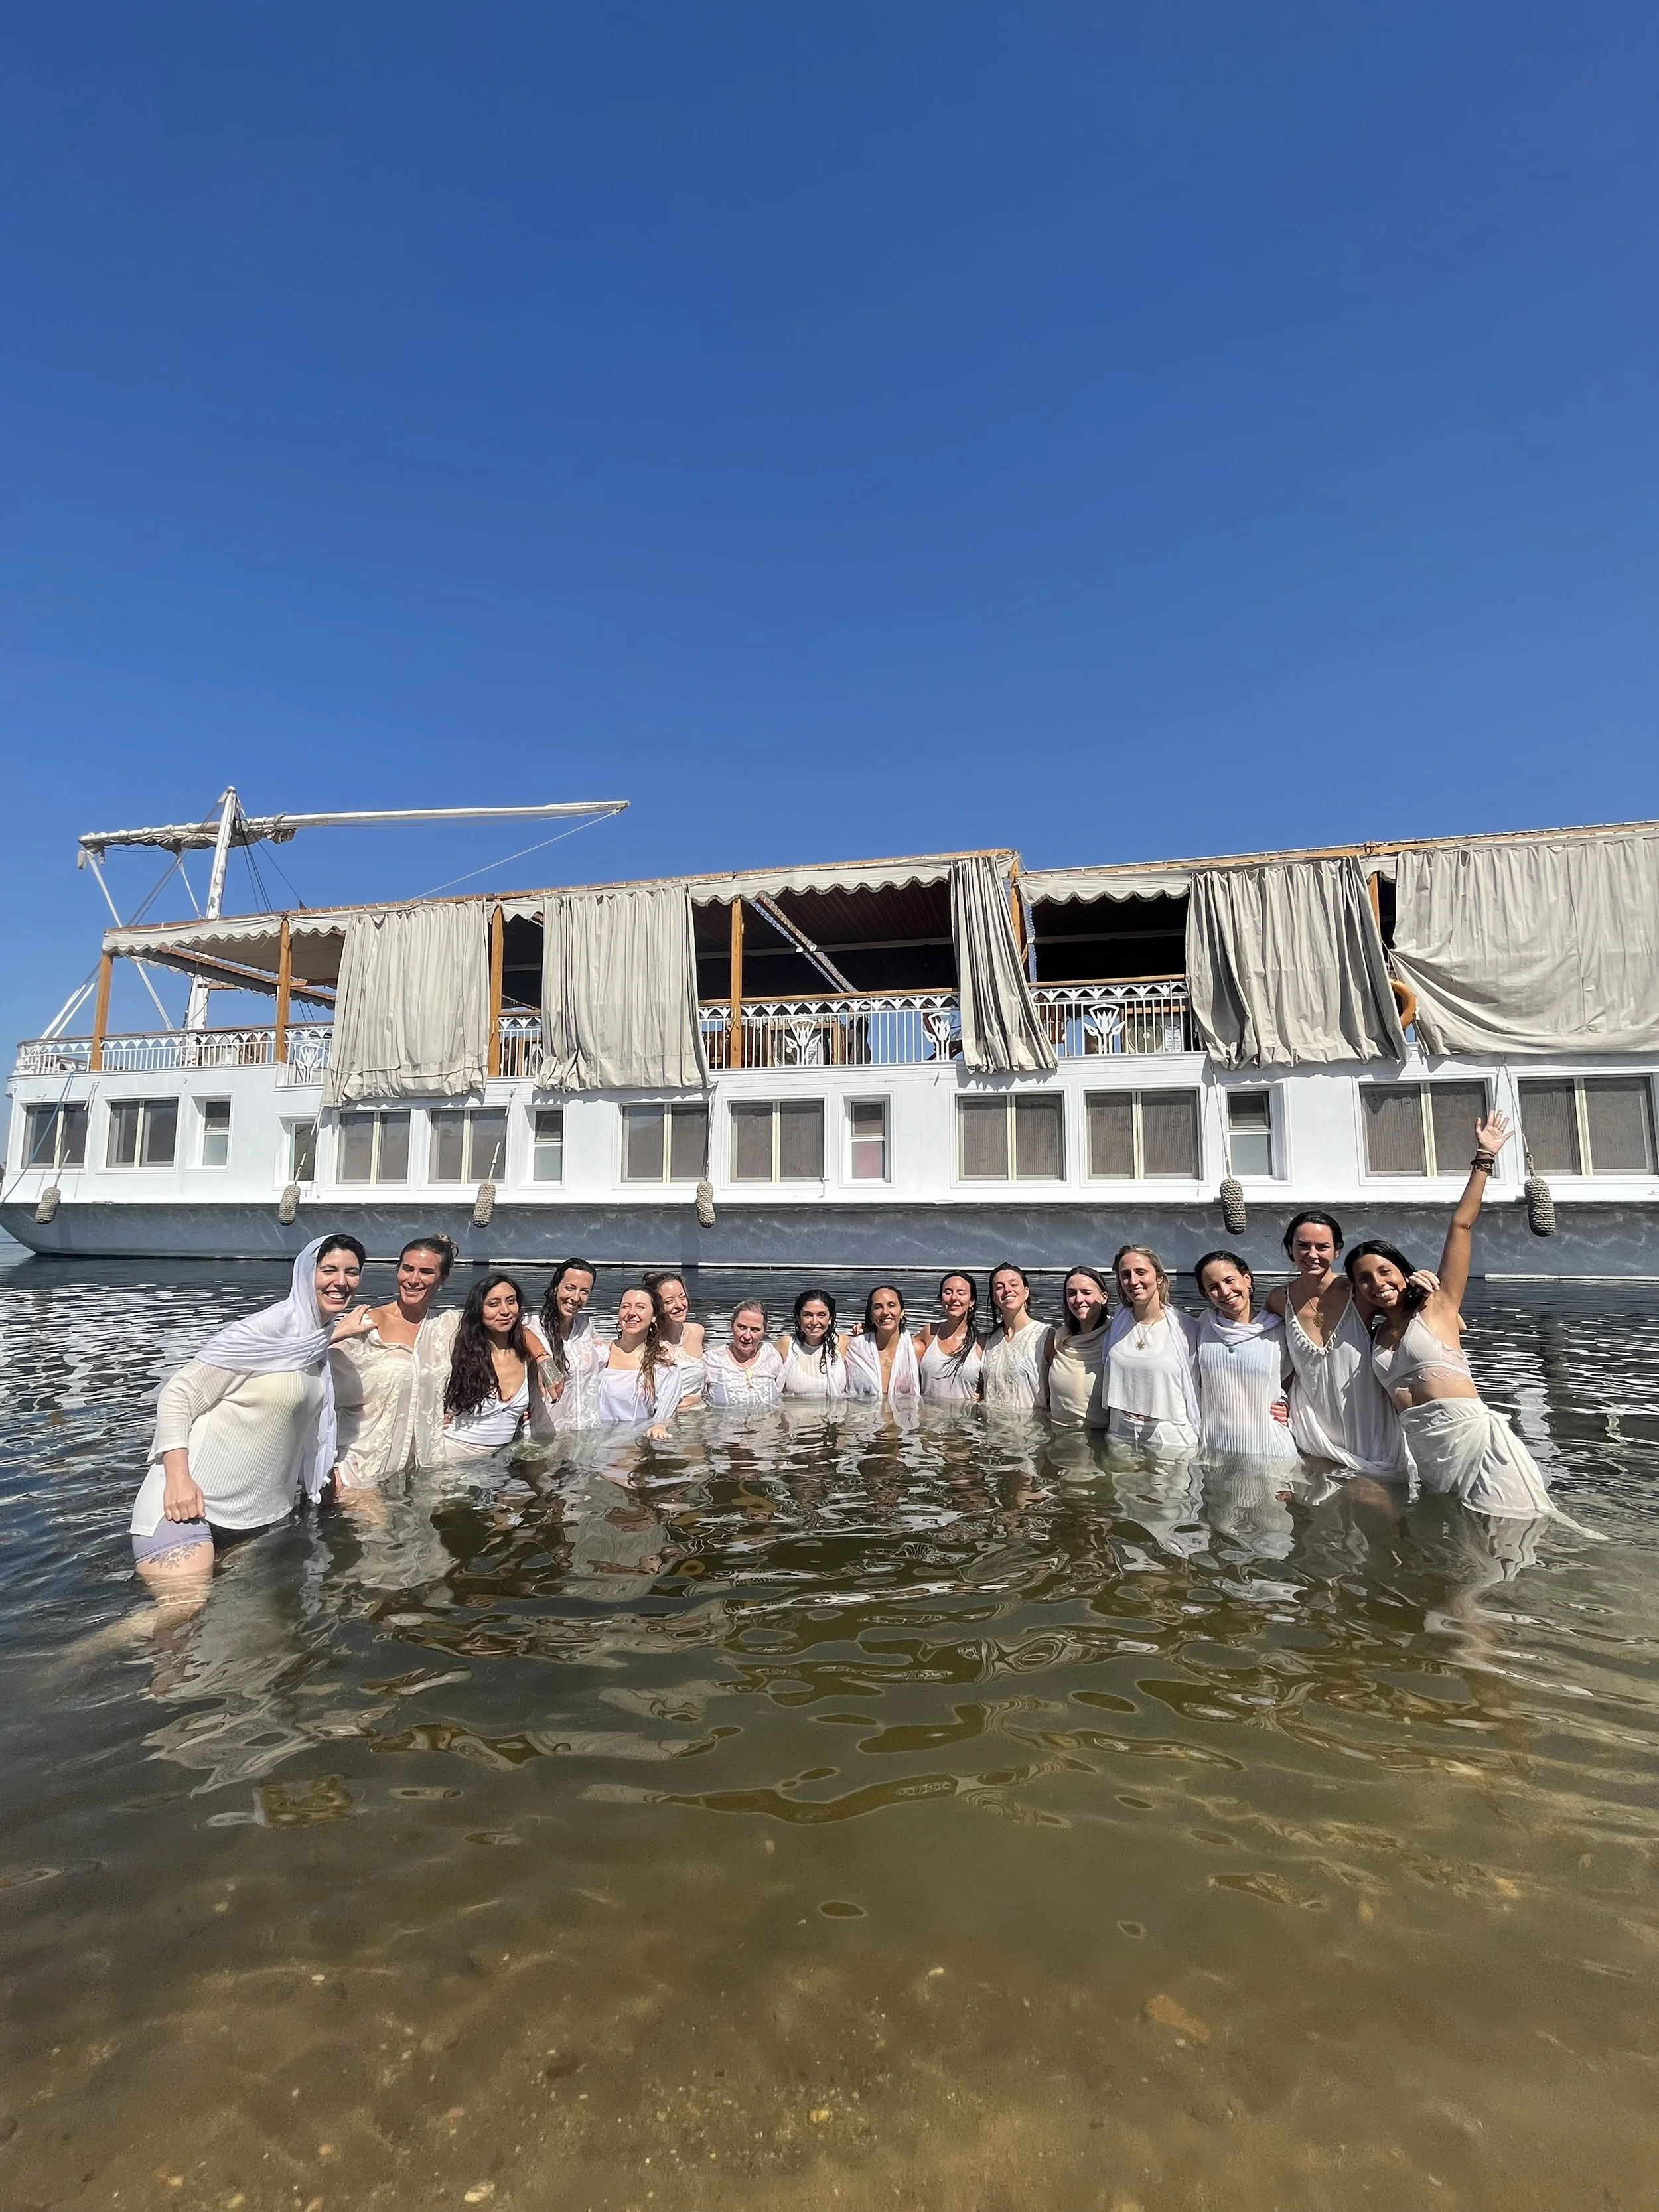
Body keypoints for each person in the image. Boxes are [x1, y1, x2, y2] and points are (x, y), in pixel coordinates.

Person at [129, 1234, 364, 1589]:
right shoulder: (261, 1331)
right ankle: (68, 1649)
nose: (341, 1282)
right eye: (329, 1269)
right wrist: (179, 1480)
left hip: (260, 1516)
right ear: (305, 1274)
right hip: (192, 1502)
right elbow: (178, 1394)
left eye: (352, 1272)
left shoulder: (311, 1342)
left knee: (232, 1624)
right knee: (181, 1615)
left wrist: (334, 1335)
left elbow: (289, 1363)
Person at [1349, 1111, 1554, 1518]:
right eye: (1364, 1279)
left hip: (1477, 1446)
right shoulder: (1371, 1334)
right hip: (1430, 1459)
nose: (1377, 1283)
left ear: (1404, 1272)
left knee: (1501, 1547)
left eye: (1385, 1271)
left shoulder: (1437, 1305)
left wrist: (1484, 1158)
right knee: (1450, 1555)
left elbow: (1460, 1227)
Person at [1264, 1211, 1407, 1477]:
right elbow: (1268, 1355)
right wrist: (1278, 1399)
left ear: (1337, 1251)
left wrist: (1428, 1287)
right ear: (1290, 1250)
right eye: (1303, 1246)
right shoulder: (1278, 1299)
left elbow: (1408, 1316)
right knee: (1319, 1506)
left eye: (1322, 1247)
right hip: (1310, 1423)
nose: (1312, 1254)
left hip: (1368, 1420)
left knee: (1383, 1500)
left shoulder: (1360, 1293)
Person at [330, 1234, 461, 1492]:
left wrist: (537, 1374)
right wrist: (333, 1337)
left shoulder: (446, 1327)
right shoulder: (366, 1324)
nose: (413, 1280)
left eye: (426, 1272)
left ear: (442, 1279)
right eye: (407, 1268)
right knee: (375, 1533)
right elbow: (315, 1380)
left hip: (419, 1469)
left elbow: (509, 1329)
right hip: (362, 1467)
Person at [1191, 1250, 1299, 1462]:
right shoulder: (1204, 1324)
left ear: (1247, 1279)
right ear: (1205, 1294)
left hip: (1269, 1450)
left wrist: (1288, 1406)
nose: (1225, 1292)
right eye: (1214, 1287)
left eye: (1230, 1280)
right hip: (1215, 1449)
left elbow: (1297, 1380)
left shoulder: (1278, 1329)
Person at [1104, 1244, 1200, 1452]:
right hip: (1121, 1431)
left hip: (1168, 1436)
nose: (1134, 1281)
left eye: (1141, 1272)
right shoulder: (1118, 1322)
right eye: (1126, 1275)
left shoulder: (1185, 1327)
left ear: (1159, 1277)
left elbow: (1208, 1379)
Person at [441, 1272, 546, 1458]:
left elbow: (525, 1333)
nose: (505, 1311)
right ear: (479, 1311)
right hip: (453, 1457)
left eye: (511, 1301)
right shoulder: (458, 1349)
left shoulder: (525, 1354)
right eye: (494, 1304)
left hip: (500, 1461)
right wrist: (436, 1412)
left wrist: (543, 1359)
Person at [595, 1283, 685, 1431]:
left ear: (654, 1316)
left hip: (635, 1444)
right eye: (625, 1307)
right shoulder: (600, 1353)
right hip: (593, 1441)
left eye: (640, 1307)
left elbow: (665, 1416)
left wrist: (660, 1427)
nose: (631, 1313)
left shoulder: (663, 1366)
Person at [535, 1256, 606, 1430]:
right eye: (570, 1288)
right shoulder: (532, 1329)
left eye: (584, 1291)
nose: (576, 1298)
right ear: (555, 1289)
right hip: (546, 1437)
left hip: (587, 1432)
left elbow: (609, 1350)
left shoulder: (586, 1326)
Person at [1041, 1266, 1113, 1430]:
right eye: (1072, 1293)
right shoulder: (1058, 1339)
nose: (1079, 1300)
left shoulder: (1115, 1339)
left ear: (1104, 1297)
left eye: (1086, 1292)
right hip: (1059, 1438)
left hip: (1099, 1441)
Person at [981, 1263, 1048, 1411]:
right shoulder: (991, 1340)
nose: (1007, 1290)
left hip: (1029, 1431)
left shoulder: (1045, 1336)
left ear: (1026, 1293)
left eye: (1013, 1284)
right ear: (995, 1298)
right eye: (999, 1287)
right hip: (991, 1431)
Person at [916, 1272, 985, 1402]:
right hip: (928, 1419)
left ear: (971, 1301)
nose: (954, 1298)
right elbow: (898, 1347)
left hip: (964, 1420)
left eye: (961, 1293)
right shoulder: (929, 1333)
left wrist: (984, 1396)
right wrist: (870, 1334)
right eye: (948, 1292)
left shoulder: (982, 1342)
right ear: (941, 1299)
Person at [845, 1284, 921, 1401]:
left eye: (891, 1305)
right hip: (863, 1417)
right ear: (871, 1316)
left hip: (905, 1417)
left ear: (902, 1312)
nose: (885, 1312)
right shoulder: (856, 1350)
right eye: (878, 1307)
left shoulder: (916, 1349)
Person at [704, 1301, 784, 1405]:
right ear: (732, 1326)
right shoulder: (711, 1360)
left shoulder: (772, 1356)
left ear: (765, 1331)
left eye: (755, 1330)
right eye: (742, 1327)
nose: (747, 1336)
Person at [643, 1272, 706, 1404]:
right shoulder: (646, 1342)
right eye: (669, 1301)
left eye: (682, 1297)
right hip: (663, 1418)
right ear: (656, 1307)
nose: (679, 1305)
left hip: (699, 1416)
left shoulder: (697, 1332)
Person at [775, 1288, 848, 1398]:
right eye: (808, 1315)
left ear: (830, 1319)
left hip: (834, 1415)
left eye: (821, 1315)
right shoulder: (786, 1344)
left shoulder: (843, 1343)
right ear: (799, 1319)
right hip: (793, 1414)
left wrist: (866, 1329)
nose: (814, 1322)